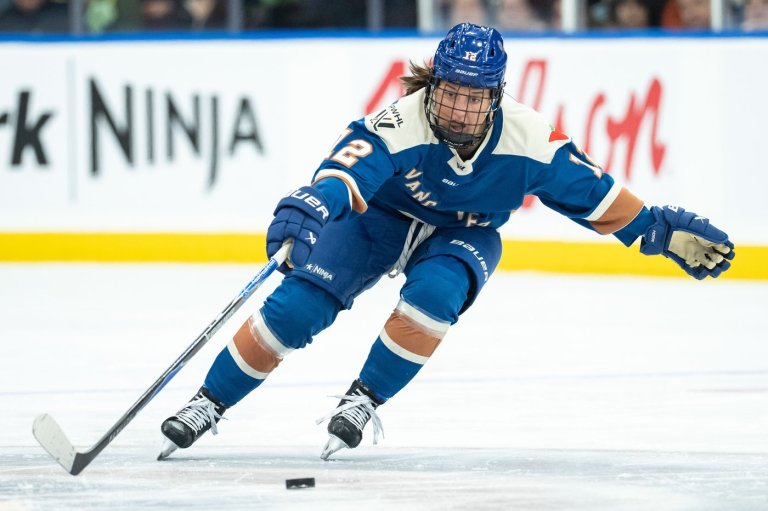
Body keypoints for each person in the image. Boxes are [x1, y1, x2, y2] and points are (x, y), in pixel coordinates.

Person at [157, 22, 735, 462]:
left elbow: (597, 198)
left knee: (434, 295)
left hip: (467, 232)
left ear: (497, 95)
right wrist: (314, 202)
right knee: (296, 307)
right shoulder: (401, 120)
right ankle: (208, 401)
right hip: (377, 220)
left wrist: (655, 230)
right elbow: (348, 168)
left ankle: (365, 398)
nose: (458, 107)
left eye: (474, 95)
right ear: (434, 84)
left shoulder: (531, 140)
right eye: (450, 91)